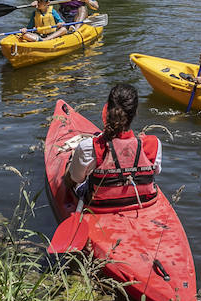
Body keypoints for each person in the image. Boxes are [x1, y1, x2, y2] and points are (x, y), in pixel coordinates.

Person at [66, 83, 162, 211]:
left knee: (69, 172)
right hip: (144, 202)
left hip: (99, 206)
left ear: (107, 109)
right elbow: (156, 171)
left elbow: (75, 179)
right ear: (135, 112)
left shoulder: (90, 147)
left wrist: (71, 163)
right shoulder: (153, 143)